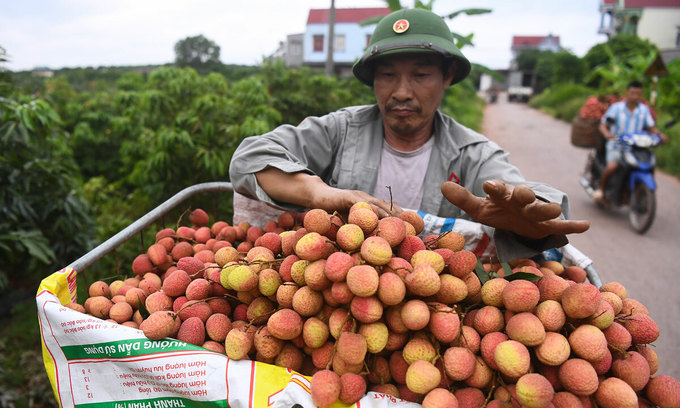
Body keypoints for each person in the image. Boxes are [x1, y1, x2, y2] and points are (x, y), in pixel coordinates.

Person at [229, 8, 589, 261]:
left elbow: (524, 196)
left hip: (434, 300)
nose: (401, 91)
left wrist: (527, 224)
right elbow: (250, 158)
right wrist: (322, 194)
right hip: (340, 283)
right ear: (373, 80)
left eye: (420, 75)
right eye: (387, 76)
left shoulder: (473, 152)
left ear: (447, 77)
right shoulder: (339, 130)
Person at [592, 81, 664, 202]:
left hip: (636, 149)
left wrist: (660, 135)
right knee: (612, 166)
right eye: (633, 93)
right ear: (627, 93)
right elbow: (603, 125)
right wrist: (607, 134)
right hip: (616, 145)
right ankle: (601, 189)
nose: (635, 96)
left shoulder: (644, 110)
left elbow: (652, 127)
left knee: (649, 166)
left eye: (638, 94)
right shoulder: (616, 108)